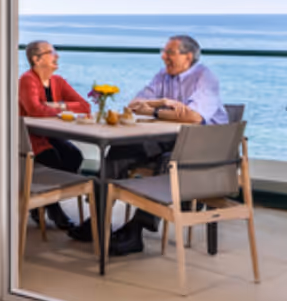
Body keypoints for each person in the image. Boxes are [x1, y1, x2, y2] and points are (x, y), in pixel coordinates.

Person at [109, 35, 227, 255]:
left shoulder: (205, 77)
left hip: (206, 151)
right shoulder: (163, 75)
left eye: (169, 53)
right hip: (170, 141)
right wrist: (163, 103)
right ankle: (98, 221)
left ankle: (137, 230)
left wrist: (153, 110)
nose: (163, 57)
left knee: (168, 162)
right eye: (164, 52)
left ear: (188, 57)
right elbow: (133, 105)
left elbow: (194, 117)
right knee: (119, 151)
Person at [19, 40, 91, 231]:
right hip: (31, 138)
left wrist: (58, 106)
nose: (56, 56)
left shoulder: (58, 81)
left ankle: (44, 203)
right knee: (52, 159)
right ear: (36, 59)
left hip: (51, 135)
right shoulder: (27, 79)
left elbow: (84, 106)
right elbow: (34, 110)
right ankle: (53, 208)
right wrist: (57, 109)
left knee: (74, 156)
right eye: (51, 52)